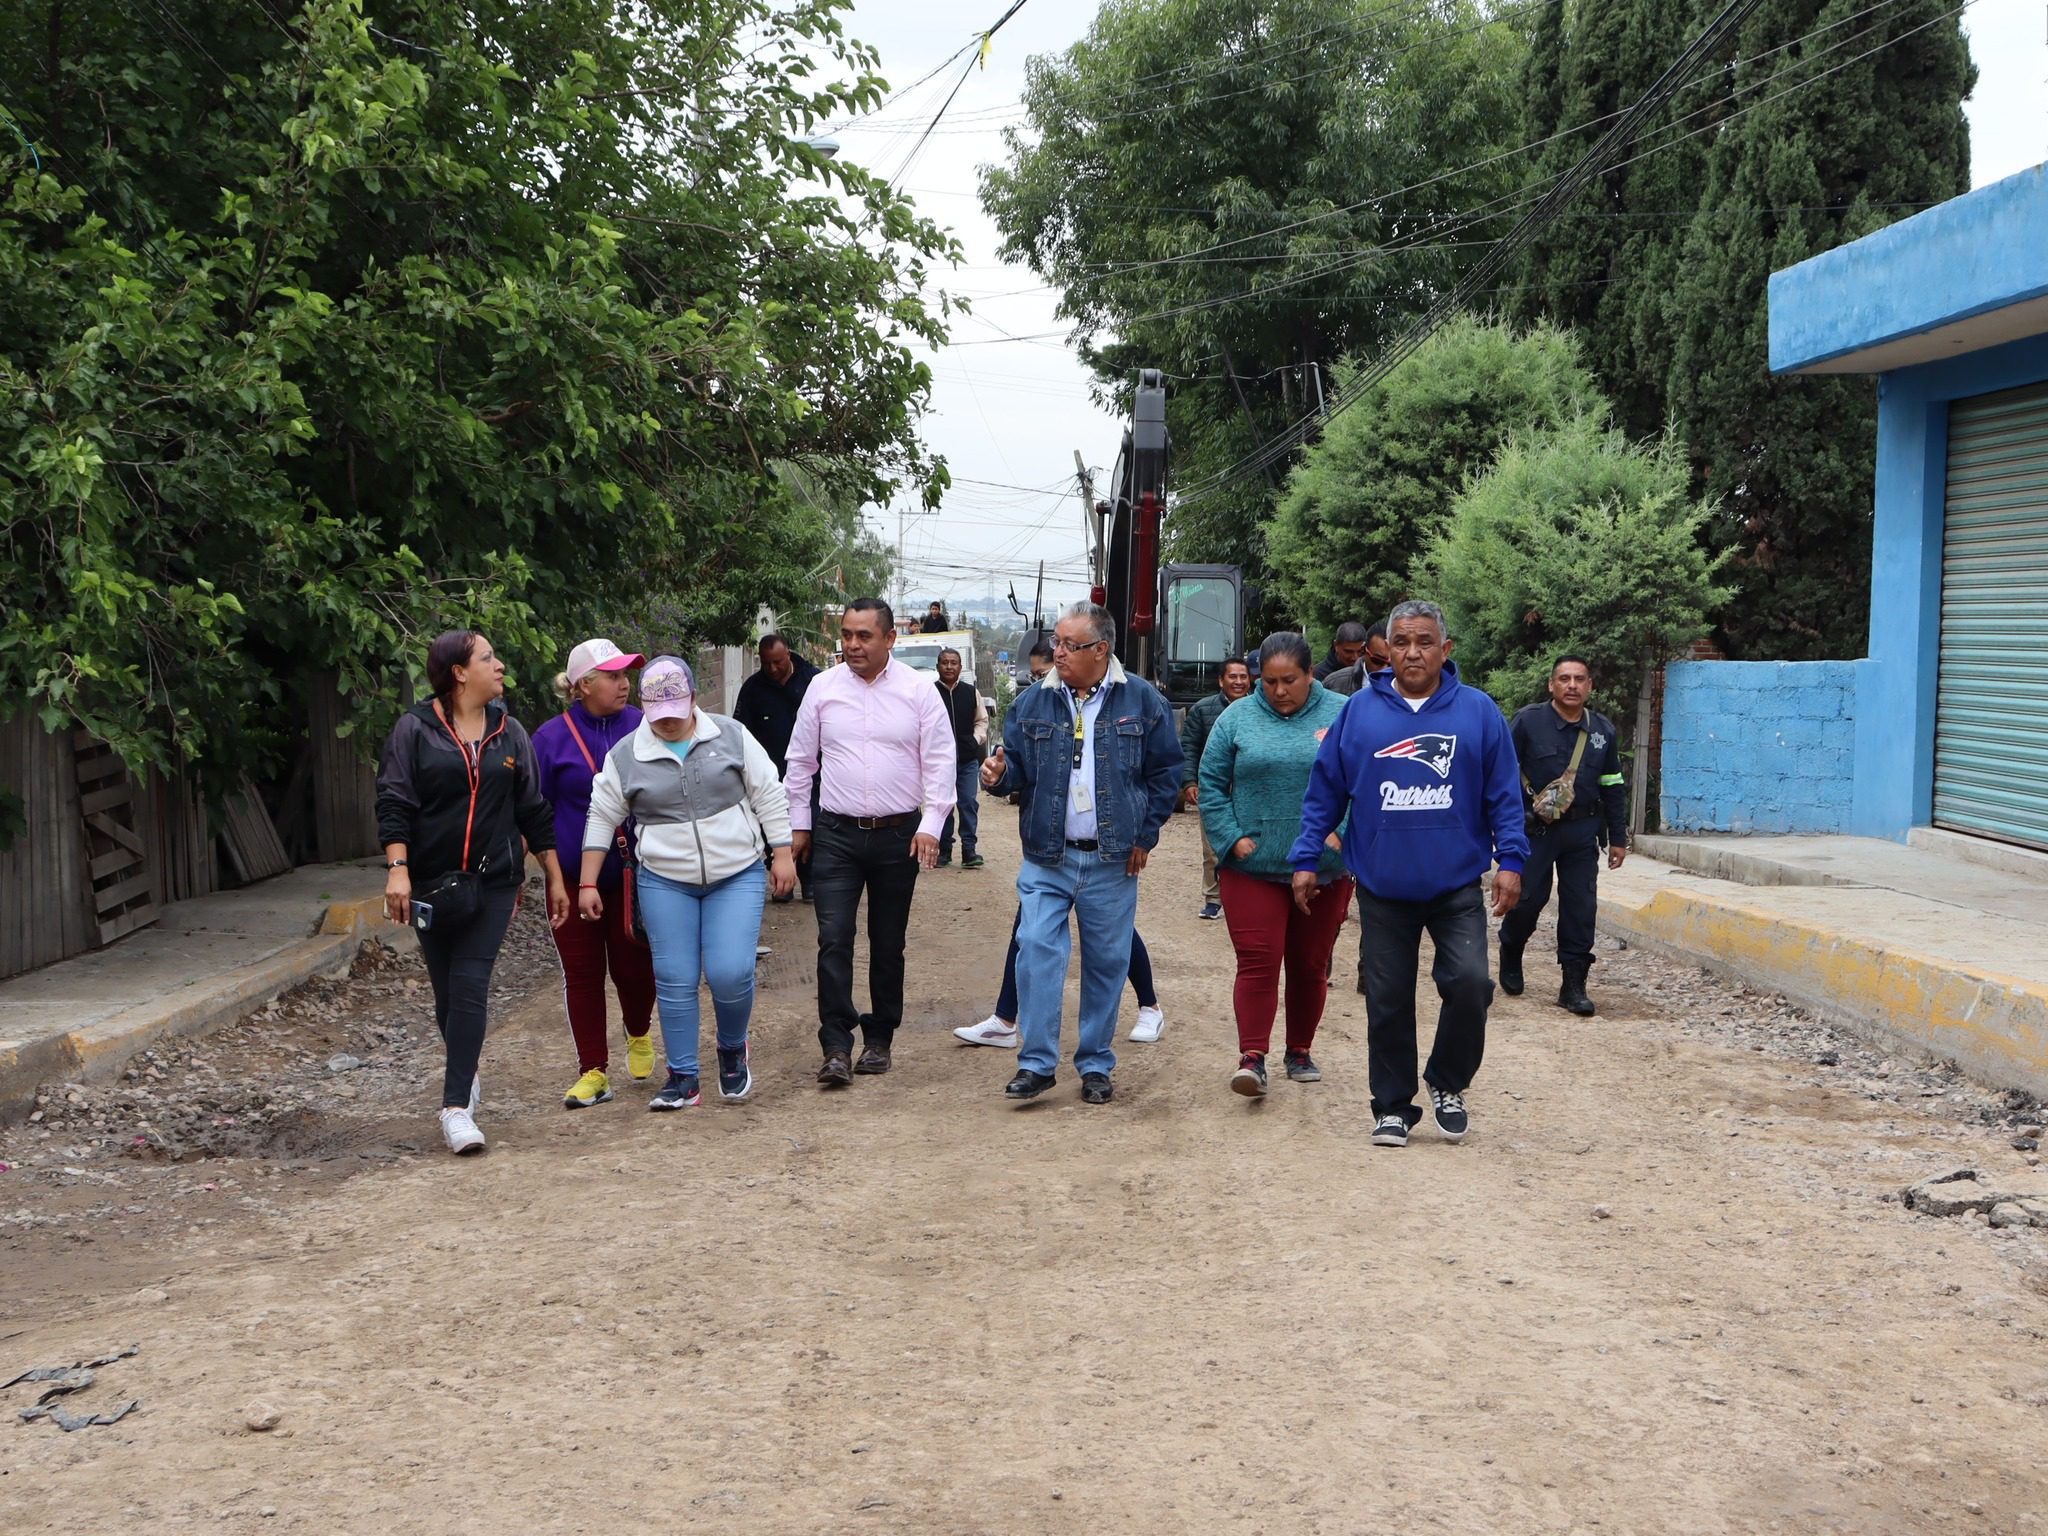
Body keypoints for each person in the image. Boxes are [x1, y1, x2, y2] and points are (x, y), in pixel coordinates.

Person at [1289, 600, 1527, 1149]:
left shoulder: (1479, 712)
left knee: (1471, 985)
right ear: (1385, 650)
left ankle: (1448, 1083)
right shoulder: (1358, 713)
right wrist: (1306, 858)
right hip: (1382, 887)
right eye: (1401, 642)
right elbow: (1324, 791)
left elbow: (1505, 797)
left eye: (1424, 641)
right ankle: (1392, 1106)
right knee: (1388, 998)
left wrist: (1511, 861)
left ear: (1445, 650)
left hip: (1455, 886)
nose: (1412, 652)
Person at [980, 601, 1181, 1105]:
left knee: (1107, 963)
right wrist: (1000, 778)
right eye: (1057, 643)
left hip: (1113, 859)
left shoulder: (1142, 700)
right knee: (1037, 953)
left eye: (1071, 645)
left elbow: (1165, 774)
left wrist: (1144, 836)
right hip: (1047, 857)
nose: (1058, 652)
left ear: (1102, 649)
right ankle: (1036, 1064)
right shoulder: (1032, 703)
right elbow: (1018, 771)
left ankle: (1095, 1064)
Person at [377, 630, 569, 1155]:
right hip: (431, 884)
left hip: (496, 880)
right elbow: (394, 801)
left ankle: (455, 1107)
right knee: (446, 993)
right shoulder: (414, 731)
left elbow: (533, 808)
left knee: (469, 983)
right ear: (459, 672)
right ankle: (467, 1065)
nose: (499, 664)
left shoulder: (510, 733)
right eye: (488, 658)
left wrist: (551, 872)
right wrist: (398, 870)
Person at [578, 656, 796, 1109]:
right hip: (664, 879)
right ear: (644, 708)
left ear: (694, 699)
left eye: (678, 712)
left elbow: (768, 791)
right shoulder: (626, 756)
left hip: (735, 872)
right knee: (674, 977)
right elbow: (601, 815)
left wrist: (782, 852)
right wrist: (587, 883)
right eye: (660, 717)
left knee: (729, 972)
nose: (670, 723)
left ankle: (732, 1047)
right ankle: (683, 1077)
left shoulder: (731, 736)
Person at [785, 599, 955, 1086]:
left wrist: (932, 824)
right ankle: (836, 1045)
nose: (852, 645)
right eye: (847, 635)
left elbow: (940, 760)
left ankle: (880, 1038)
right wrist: (799, 826)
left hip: (898, 836)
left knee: (887, 942)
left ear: (889, 639)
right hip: (835, 834)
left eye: (864, 636)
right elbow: (800, 762)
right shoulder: (822, 688)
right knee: (833, 939)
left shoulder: (918, 693)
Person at [1201, 633, 1354, 1097]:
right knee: (1258, 962)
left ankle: (1300, 1050)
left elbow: (1365, 779)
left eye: (1290, 680)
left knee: (1310, 965)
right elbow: (1210, 783)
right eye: (1268, 682)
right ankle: (1253, 1057)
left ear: (1311, 675)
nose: (1279, 690)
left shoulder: (1343, 714)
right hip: (1253, 868)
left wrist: (1341, 833)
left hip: (1325, 868)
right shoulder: (1236, 718)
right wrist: (1232, 839)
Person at [532, 637, 657, 1108]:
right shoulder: (549, 738)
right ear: (583, 685)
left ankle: (639, 1032)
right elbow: (534, 811)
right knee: (582, 974)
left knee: (635, 964)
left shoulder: (644, 726)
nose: (625, 685)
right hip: (569, 878)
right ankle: (593, 1071)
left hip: (632, 875)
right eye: (613, 676)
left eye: (627, 675)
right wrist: (551, 876)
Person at [1498, 655, 1630, 1016]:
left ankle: (1573, 986)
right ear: (1551, 686)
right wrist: (1504, 825)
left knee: (1580, 907)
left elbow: (1613, 785)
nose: (1572, 685)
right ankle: (1511, 947)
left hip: (1583, 832)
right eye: (1564, 679)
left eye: (1579, 679)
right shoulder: (1528, 722)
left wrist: (1618, 837)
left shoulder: (1602, 730)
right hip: (1535, 831)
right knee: (1527, 901)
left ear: (1590, 686)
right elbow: (1502, 774)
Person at [953, 918, 1164, 1047]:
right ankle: (1004, 1019)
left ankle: (1150, 1007)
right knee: (1029, 926)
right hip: (1053, 852)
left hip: (1100, 854)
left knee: (1114, 925)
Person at [734, 633, 821, 902]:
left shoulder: (814, 681)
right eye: (766, 663)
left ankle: (810, 880)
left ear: (789, 655)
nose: (773, 669)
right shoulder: (752, 689)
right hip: (770, 773)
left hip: (813, 772)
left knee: (813, 825)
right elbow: (740, 731)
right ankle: (782, 879)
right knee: (772, 826)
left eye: (778, 662)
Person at [1178, 656, 1252, 920]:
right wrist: (1189, 781)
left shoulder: (1260, 709)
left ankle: (1245, 897)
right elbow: (1189, 748)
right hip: (1214, 788)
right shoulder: (1202, 709)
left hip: (1249, 789)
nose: (1239, 682)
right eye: (1233, 676)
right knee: (1212, 848)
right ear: (1222, 680)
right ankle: (1213, 898)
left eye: (1243, 677)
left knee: (1249, 842)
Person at [934, 647, 988, 869]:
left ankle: (969, 850)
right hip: (939, 763)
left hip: (967, 761)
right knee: (943, 806)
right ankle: (944, 851)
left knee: (968, 803)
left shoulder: (970, 692)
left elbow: (982, 721)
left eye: (953, 663)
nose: (949, 666)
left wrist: (975, 741)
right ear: (937, 666)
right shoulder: (929, 693)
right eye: (944, 662)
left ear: (960, 667)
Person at [1324, 622, 1392, 698]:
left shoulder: (1406, 687)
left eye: (1392, 665)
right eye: (1378, 661)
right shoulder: (1335, 683)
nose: (1385, 669)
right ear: (1363, 650)